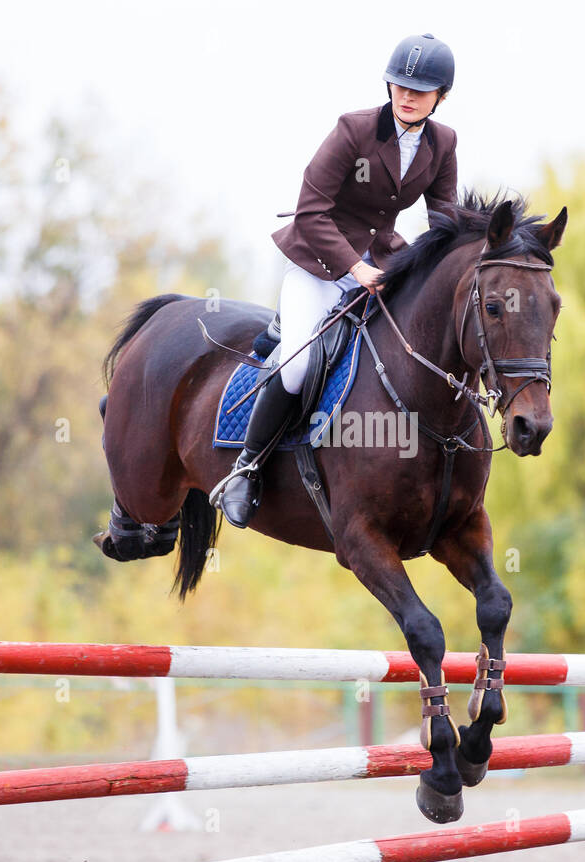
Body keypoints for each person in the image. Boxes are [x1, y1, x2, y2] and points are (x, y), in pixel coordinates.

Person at [211, 33, 460, 528]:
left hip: (383, 262)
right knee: (300, 366)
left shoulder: (444, 142)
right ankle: (247, 469)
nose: (407, 95)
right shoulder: (354, 130)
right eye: (400, 85)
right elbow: (311, 210)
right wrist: (354, 267)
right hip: (318, 263)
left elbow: (445, 219)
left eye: (420, 89)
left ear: (441, 97)